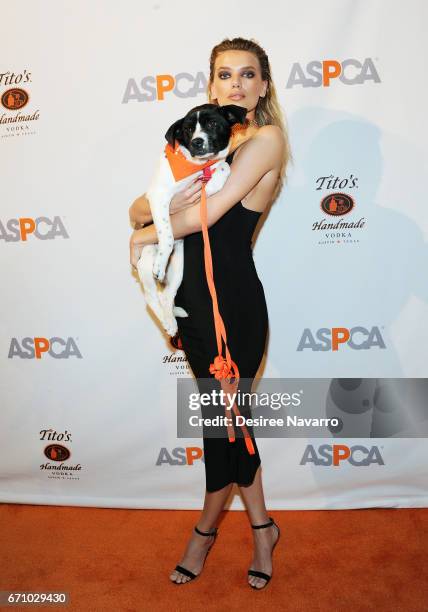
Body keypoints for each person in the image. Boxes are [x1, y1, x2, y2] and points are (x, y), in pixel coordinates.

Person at [129, 37, 291, 589]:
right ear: (212, 85)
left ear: (263, 86)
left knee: (225, 428)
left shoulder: (263, 141)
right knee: (224, 425)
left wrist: (146, 232)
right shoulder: (206, 143)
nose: (237, 85)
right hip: (192, 307)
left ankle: (204, 533)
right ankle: (263, 525)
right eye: (226, 75)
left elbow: (209, 211)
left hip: (234, 309)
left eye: (248, 75)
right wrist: (155, 211)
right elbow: (138, 203)